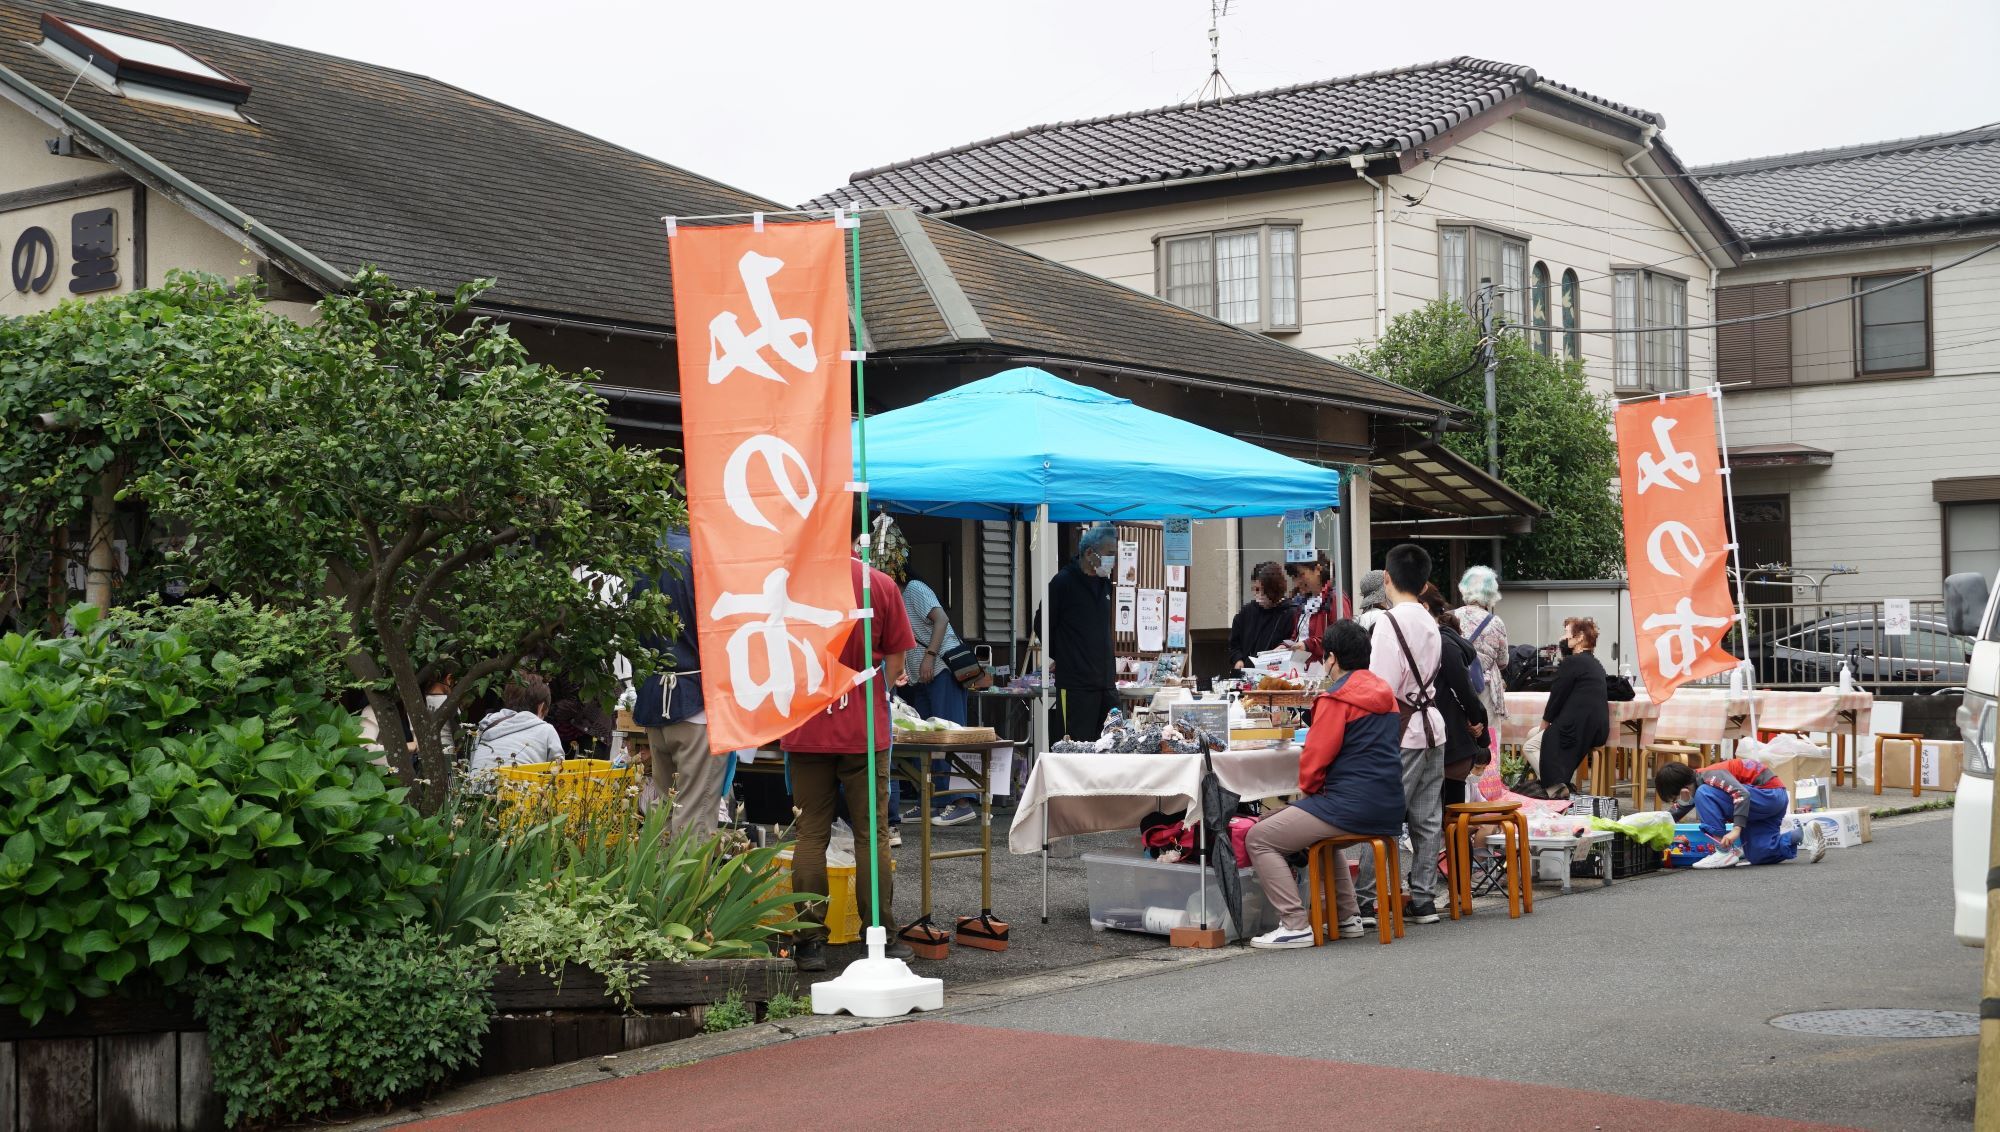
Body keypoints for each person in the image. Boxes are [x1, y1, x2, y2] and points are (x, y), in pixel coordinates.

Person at [783, 554, 918, 972]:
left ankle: (808, 943)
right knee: (871, 834)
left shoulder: (791, 583)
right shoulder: (878, 583)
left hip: (806, 722)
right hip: (862, 726)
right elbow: (896, 664)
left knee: (810, 834)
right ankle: (880, 936)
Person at [1245, 620, 1407, 948]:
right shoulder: (1387, 695)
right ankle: (1348, 916)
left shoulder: (1336, 699)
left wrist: (1309, 793)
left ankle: (1294, 924)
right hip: (1389, 806)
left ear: (1331, 658)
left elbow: (1314, 764)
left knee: (1259, 837)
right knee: (1319, 831)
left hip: (1348, 804)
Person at [1355, 543, 1446, 926]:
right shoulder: (1430, 620)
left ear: (1387, 579)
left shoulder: (1387, 623)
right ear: (1425, 583)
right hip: (1433, 726)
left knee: (1382, 814)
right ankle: (1423, 899)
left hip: (1403, 729)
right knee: (1427, 819)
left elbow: (1380, 687)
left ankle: (1365, 900)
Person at [870, 515, 979, 829]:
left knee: (946, 738)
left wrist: (930, 657)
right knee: (923, 741)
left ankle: (960, 803)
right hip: (919, 675)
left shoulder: (914, 589)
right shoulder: (889, 597)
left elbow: (941, 620)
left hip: (941, 669)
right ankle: (930, 801)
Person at [633, 529, 726, 842]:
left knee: (665, 810)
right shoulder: (702, 556)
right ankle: (683, 893)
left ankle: (654, 889)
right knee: (694, 817)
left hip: (653, 696)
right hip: (696, 697)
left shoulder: (640, 554)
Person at [1656, 759, 1827, 868]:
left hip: (1768, 795)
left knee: (1703, 794)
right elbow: (1675, 813)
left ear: (1684, 789)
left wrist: (1737, 828)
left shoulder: (1710, 777)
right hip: (1764, 805)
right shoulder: (1697, 783)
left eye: (1675, 798)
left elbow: (1741, 794)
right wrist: (1653, 825)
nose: (1676, 802)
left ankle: (1722, 851)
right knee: (1759, 853)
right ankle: (1804, 833)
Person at [1045, 523, 1118, 741]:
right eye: (1109, 554)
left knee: (1111, 745)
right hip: (1076, 686)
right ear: (1089, 553)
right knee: (1075, 748)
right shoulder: (1063, 582)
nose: (1112, 560)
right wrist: (1063, 655)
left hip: (1106, 684)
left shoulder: (1105, 584)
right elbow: (1043, 622)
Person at [1422, 585, 1490, 809]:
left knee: (1449, 819)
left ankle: (1461, 845)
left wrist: (1479, 726)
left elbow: (1465, 691)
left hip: (1449, 743)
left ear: (1424, 608)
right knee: (1446, 818)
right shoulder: (1437, 640)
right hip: (1447, 739)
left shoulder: (1443, 644)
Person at [1527, 617, 1609, 799]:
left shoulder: (1573, 663)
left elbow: (1556, 697)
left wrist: (1545, 725)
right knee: (1533, 735)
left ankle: (1556, 788)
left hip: (1576, 727)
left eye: (1566, 633)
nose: (1562, 638)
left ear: (1579, 637)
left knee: (1529, 746)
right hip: (1594, 727)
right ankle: (1556, 781)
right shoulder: (1595, 663)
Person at [1453, 565, 1509, 760]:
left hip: (1456, 686)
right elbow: (1503, 660)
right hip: (1485, 687)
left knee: (1459, 735)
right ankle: (1489, 784)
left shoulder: (1451, 617)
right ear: (1491, 593)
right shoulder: (1495, 622)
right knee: (1490, 735)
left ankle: (1465, 786)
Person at [468, 675, 564, 772]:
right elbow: (558, 772)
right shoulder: (545, 730)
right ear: (541, 707)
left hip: (477, 785)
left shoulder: (486, 726)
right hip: (520, 786)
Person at [1228, 561, 1296, 671]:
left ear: (1273, 589)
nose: (1257, 595)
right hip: (1247, 673)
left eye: (1260, 590)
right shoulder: (1246, 612)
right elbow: (1234, 644)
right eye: (1254, 589)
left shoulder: (1289, 613)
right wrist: (1238, 659)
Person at [1284, 552, 1351, 663]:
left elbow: (1343, 638)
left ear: (1317, 569)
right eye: (1294, 577)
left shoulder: (1335, 598)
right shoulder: (1303, 602)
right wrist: (1285, 646)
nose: (1297, 582)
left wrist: (1309, 645)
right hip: (1303, 669)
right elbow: (1298, 636)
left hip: (1327, 671)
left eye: (1301, 575)